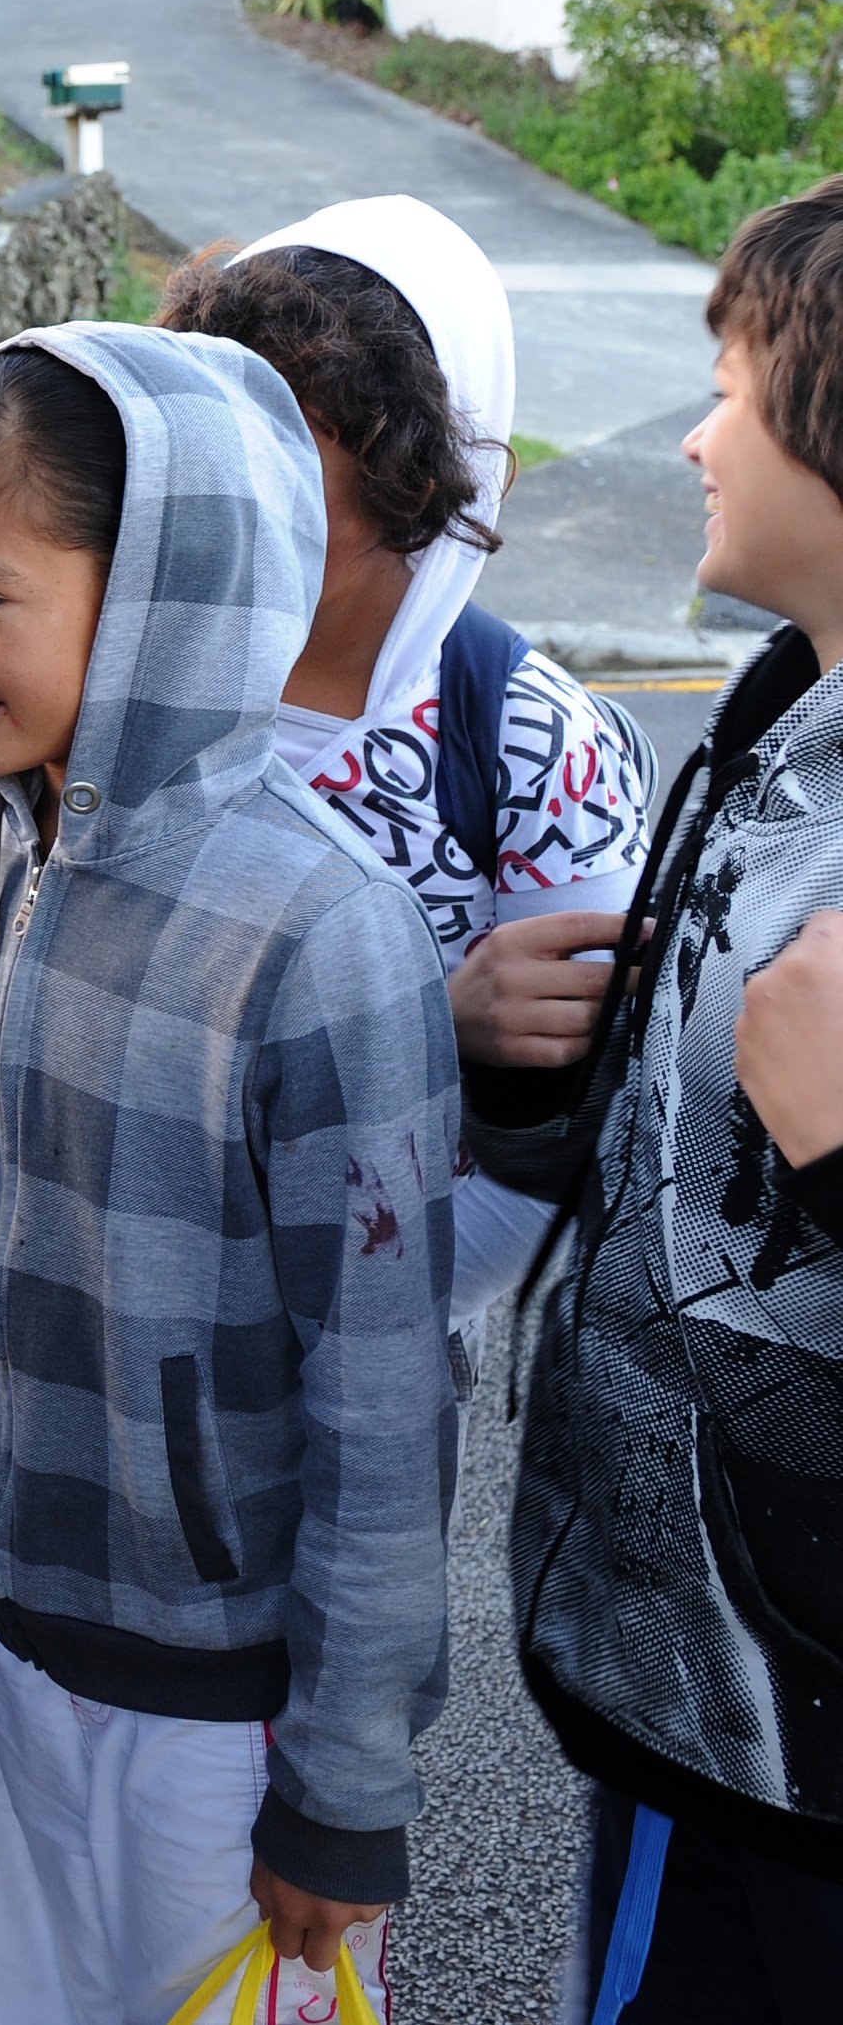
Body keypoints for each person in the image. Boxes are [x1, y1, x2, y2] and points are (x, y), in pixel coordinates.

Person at [0, 329, 459, 2025]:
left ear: (154, 595)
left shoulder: (319, 931)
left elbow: (380, 1399)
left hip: (226, 1706)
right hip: (16, 1631)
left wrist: (342, 1782)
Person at [490, 175, 843, 2013]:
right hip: (695, 1687)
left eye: (733, 379)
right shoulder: (775, 709)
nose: (696, 431)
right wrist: (501, 1059)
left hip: (787, 1748)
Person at [158, 198, 655, 1337]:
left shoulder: (528, 743)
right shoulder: (113, 676)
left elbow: (566, 1160)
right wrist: (430, 1022)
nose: (237, 492)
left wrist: (307, 1329)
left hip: (363, 1366)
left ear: (415, 474)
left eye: (291, 452)